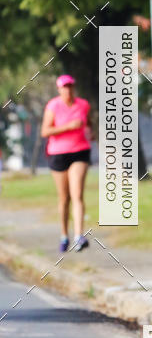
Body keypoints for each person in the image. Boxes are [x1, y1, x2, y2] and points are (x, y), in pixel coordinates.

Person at [41, 75, 93, 252]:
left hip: (80, 151)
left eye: (70, 86)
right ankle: (64, 235)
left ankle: (79, 235)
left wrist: (90, 133)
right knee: (64, 198)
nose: (68, 89)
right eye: (65, 87)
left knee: (77, 193)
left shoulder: (83, 104)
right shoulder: (53, 106)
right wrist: (69, 127)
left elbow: (88, 124)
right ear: (59, 89)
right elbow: (45, 131)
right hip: (58, 154)